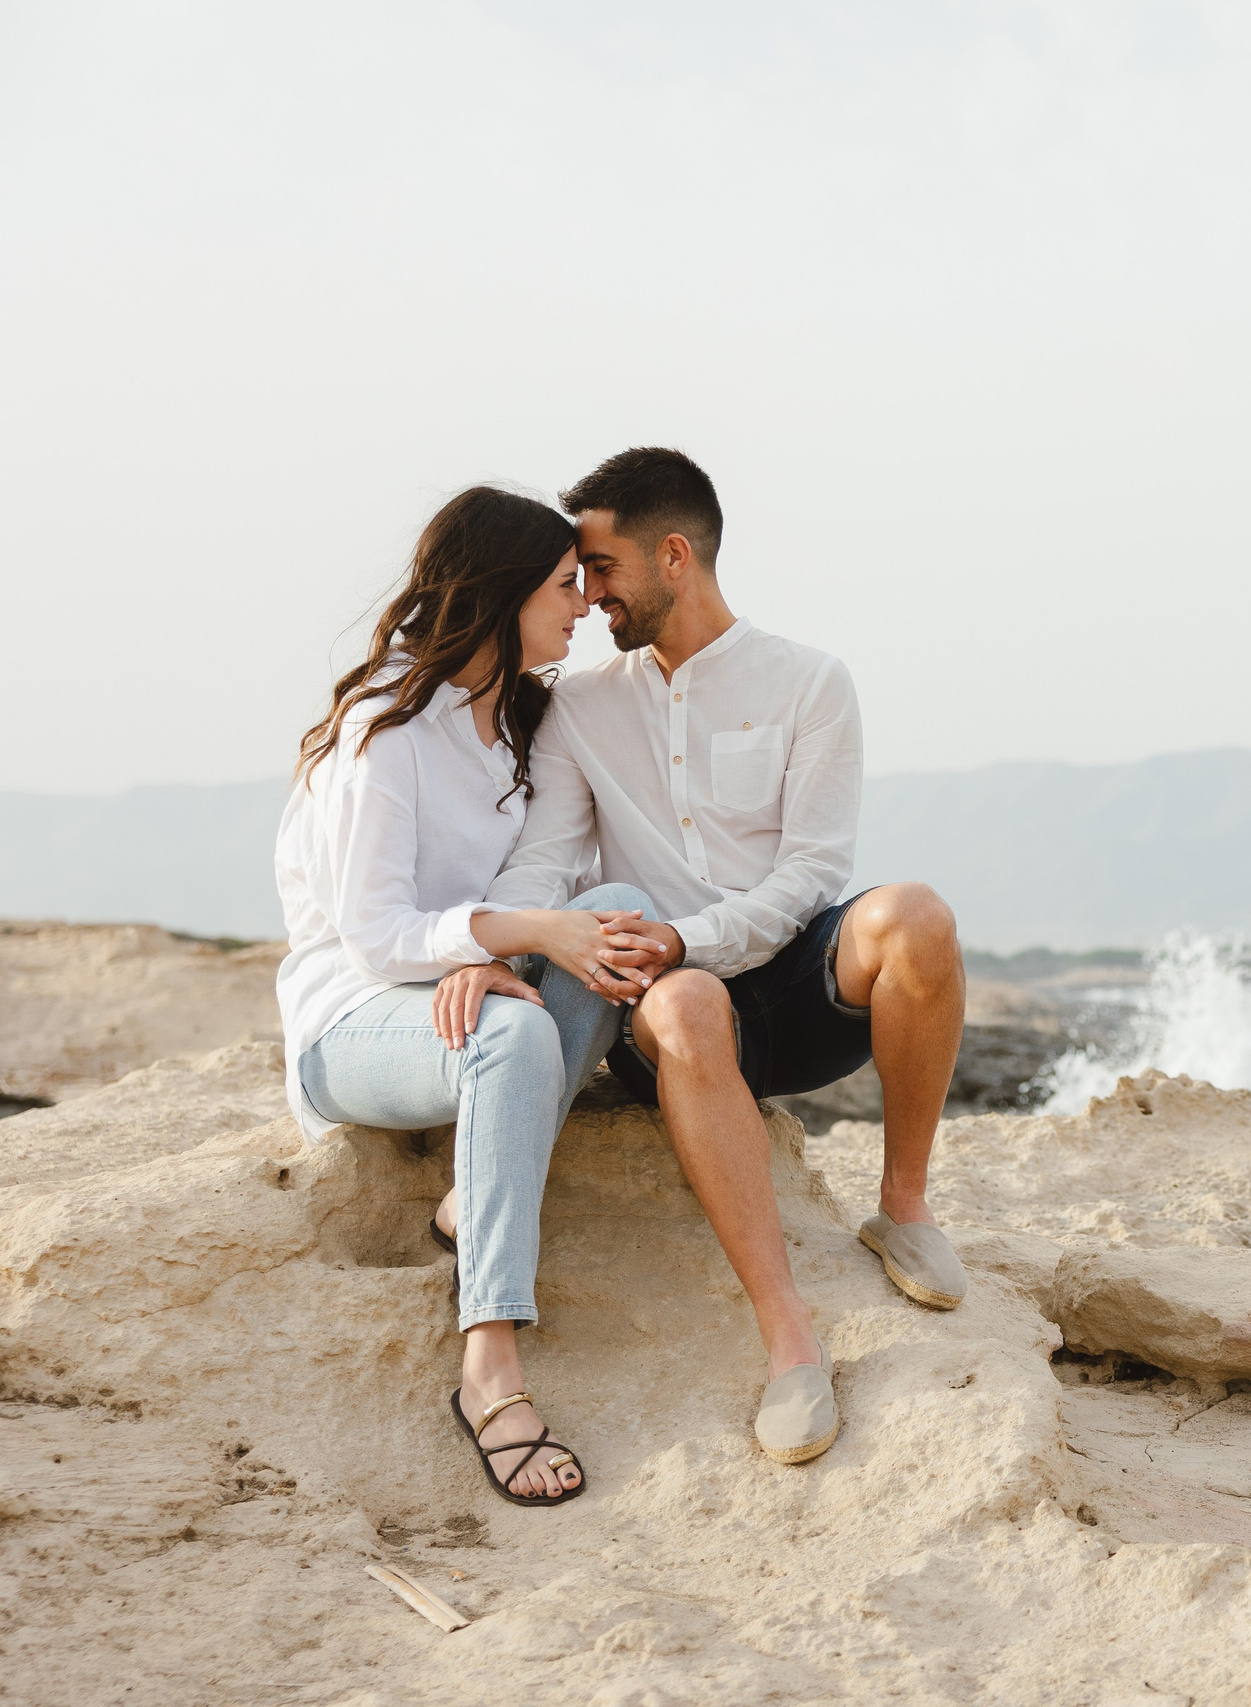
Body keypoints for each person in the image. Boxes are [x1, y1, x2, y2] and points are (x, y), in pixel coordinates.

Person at [485, 446, 967, 1467]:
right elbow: (545, 859)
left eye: (601, 570)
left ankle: (904, 1209)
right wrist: (491, 945)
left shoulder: (809, 682)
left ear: (672, 557)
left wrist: (694, 933)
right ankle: (792, 1342)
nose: (587, 595)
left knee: (916, 914)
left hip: (792, 987)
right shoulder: (579, 706)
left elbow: (812, 871)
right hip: (669, 1015)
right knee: (689, 1000)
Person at [276, 486, 663, 1507]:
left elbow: (531, 885)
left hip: (460, 993)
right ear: (499, 594)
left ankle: (471, 1198)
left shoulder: (519, 722)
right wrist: (497, 946)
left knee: (614, 910)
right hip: (351, 1020)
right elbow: (373, 936)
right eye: (563, 584)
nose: (582, 603)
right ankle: (489, 1362)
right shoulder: (382, 733)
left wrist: (494, 947)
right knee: (509, 1034)